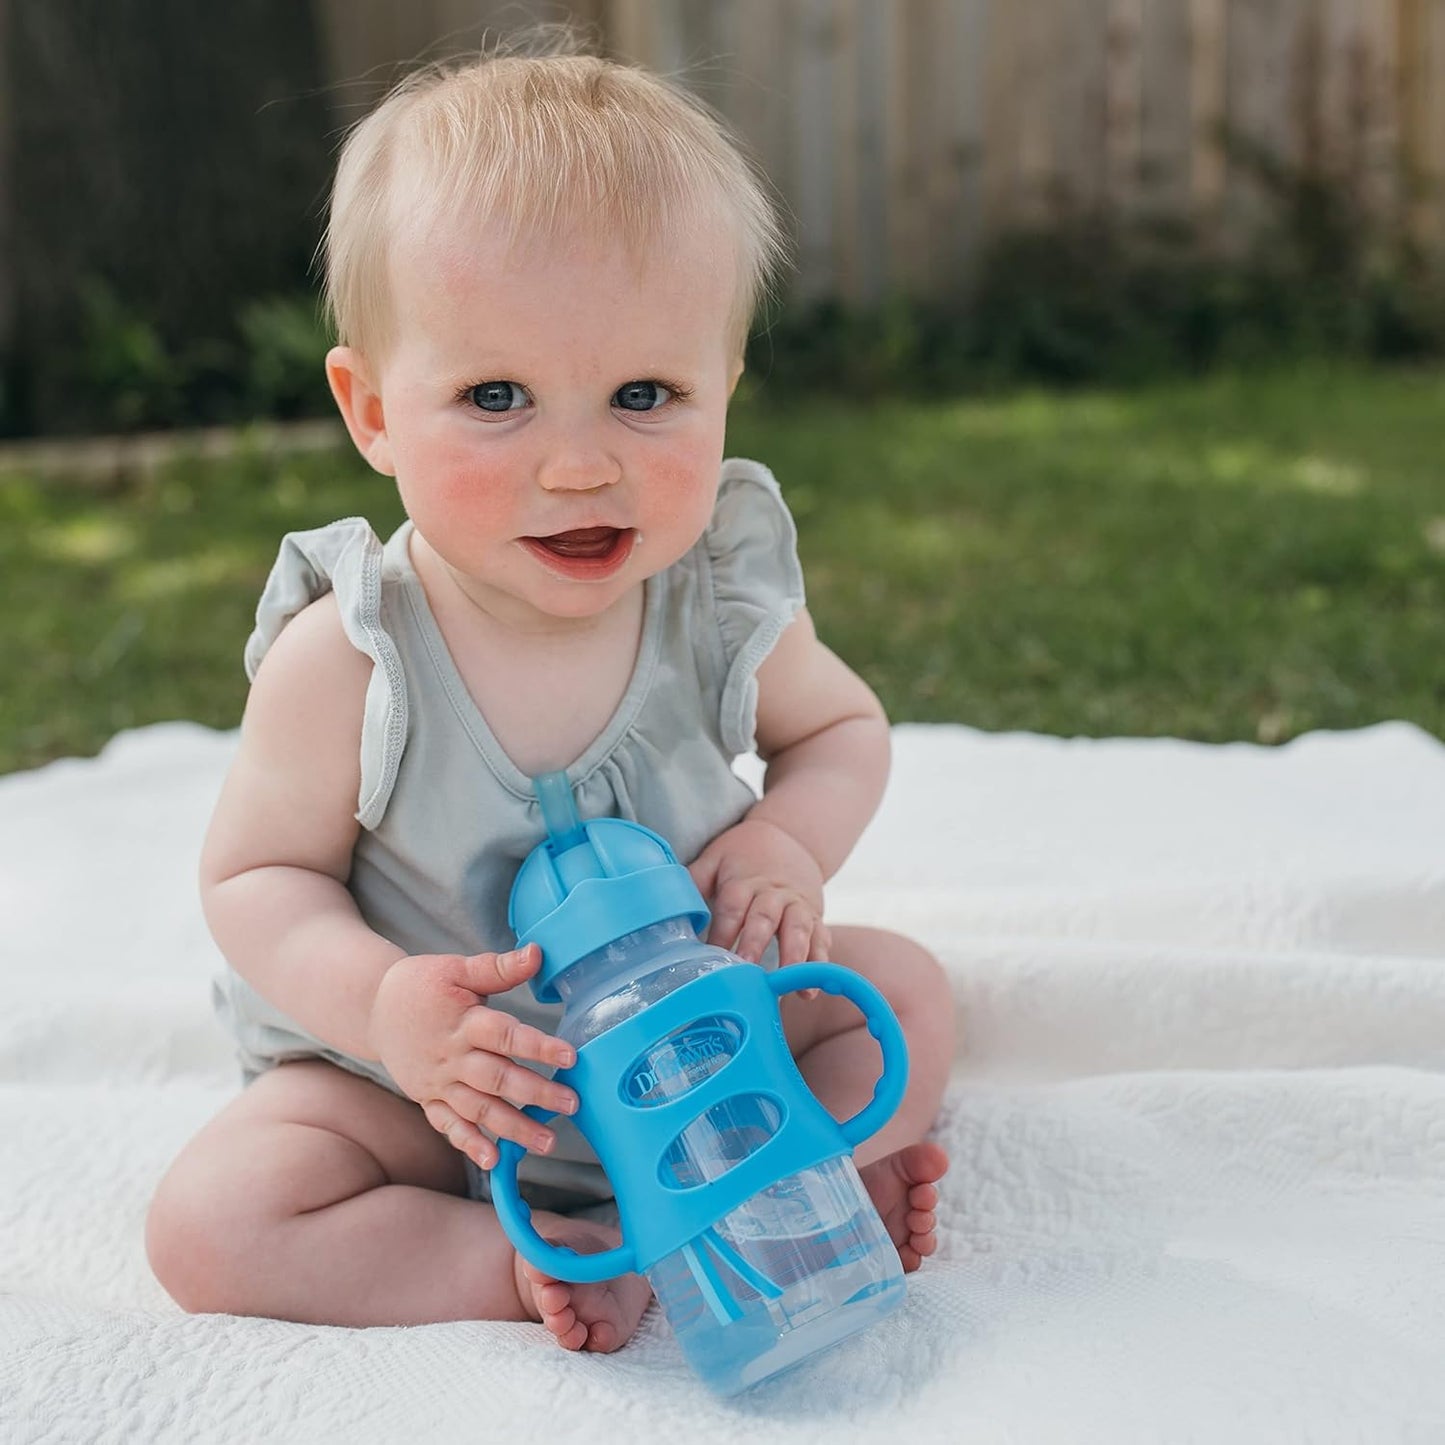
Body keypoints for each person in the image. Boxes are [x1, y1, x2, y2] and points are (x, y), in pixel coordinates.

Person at [146, 35, 954, 1356]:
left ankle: (809, 1174)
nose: (579, 466)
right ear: (372, 412)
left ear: (726, 386)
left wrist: (783, 841)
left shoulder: (716, 596)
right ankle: (524, 1256)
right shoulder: (352, 654)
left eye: (645, 395)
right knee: (214, 1216)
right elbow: (255, 880)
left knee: (903, 988)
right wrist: (383, 1009)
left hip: (700, 1043)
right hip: (438, 1098)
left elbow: (840, 729)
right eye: (495, 397)